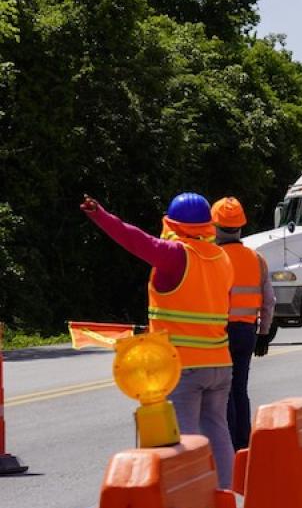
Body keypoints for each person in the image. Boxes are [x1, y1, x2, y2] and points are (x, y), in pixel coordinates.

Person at [81, 192, 236, 489]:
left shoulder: (176, 255)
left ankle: (191, 502)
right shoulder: (221, 258)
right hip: (219, 362)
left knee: (185, 438)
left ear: (172, 223)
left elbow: (135, 239)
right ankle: (227, 497)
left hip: (183, 366)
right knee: (218, 431)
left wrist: (100, 215)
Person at [211, 197, 275, 451]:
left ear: (214, 226)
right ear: (241, 226)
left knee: (223, 392)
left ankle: (229, 446)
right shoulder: (256, 259)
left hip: (221, 333)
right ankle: (244, 444)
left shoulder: (214, 258)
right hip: (247, 332)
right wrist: (263, 334)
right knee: (240, 388)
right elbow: (269, 301)